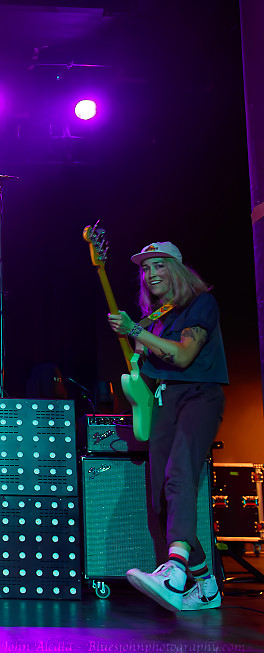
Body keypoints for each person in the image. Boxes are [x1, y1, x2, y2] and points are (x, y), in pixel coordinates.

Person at [107, 241, 227, 612]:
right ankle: (206, 585)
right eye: (145, 269)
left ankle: (174, 572)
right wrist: (137, 344)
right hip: (164, 401)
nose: (151, 273)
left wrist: (134, 332)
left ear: (176, 269)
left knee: (179, 476)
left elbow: (185, 354)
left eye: (158, 265)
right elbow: (147, 361)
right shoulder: (158, 316)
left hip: (198, 396)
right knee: (163, 499)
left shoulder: (201, 303)